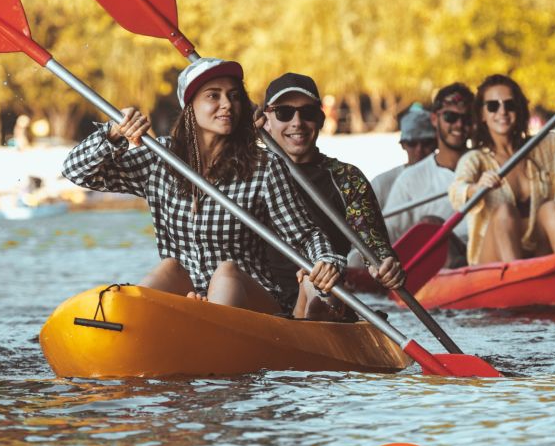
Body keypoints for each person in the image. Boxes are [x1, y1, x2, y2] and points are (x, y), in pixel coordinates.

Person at [61, 57, 344, 315]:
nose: (227, 105)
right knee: (170, 266)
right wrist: (113, 133)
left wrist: (327, 260)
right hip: (188, 294)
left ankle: (212, 333)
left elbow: (305, 235)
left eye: (234, 96)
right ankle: (135, 323)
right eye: (213, 96)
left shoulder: (264, 166)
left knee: (226, 272)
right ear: (190, 107)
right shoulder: (159, 157)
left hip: (253, 303)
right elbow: (76, 171)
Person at [260, 72, 405, 319]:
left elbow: (374, 246)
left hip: (324, 293)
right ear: (266, 120)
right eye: (284, 113)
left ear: (321, 119)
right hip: (260, 301)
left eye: (307, 113)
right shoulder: (247, 173)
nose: (297, 122)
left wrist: (385, 265)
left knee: (313, 281)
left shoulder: (347, 178)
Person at [449, 74, 555, 265]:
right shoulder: (474, 160)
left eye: (510, 104)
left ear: (519, 109)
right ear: (482, 114)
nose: (502, 111)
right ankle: (517, 279)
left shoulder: (547, 146)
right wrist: (476, 188)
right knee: (504, 211)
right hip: (493, 262)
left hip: (540, 252)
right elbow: (456, 193)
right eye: (493, 106)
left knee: (550, 209)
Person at [381, 83, 475, 268]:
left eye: (466, 118)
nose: (459, 124)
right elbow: (385, 234)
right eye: (450, 117)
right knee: (430, 226)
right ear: (434, 119)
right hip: (439, 274)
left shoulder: (491, 166)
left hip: (485, 259)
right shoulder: (410, 180)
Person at [370, 104, 436, 205]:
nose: (419, 149)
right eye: (412, 143)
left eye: (426, 142)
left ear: (436, 144)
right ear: (403, 145)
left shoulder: (449, 180)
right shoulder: (381, 184)